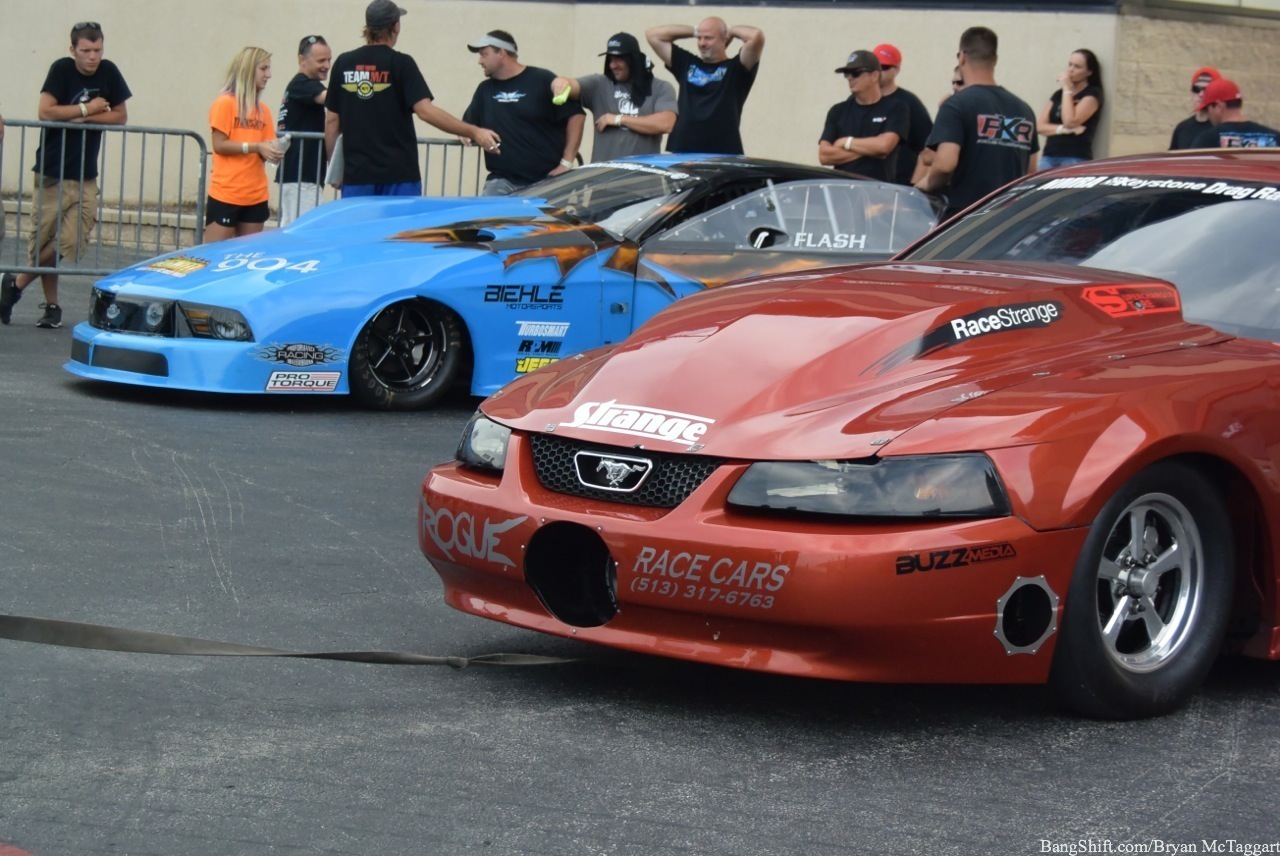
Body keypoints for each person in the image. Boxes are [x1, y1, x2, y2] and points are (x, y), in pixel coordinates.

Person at [0, 22, 131, 329]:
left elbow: (121, 116)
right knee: (45, 240)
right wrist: (87, 111)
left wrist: (83, 114)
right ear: (73, 50)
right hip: (52, 171)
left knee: (69, 242)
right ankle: (52, 306)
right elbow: (46, 111)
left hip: (85, 174)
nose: (93, 57)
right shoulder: (61, 70)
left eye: (97, 50)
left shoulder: (109, 72)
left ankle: (14, 285)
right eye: (86, 51)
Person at [326, 1, 499, 198]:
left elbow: (332, 120)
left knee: (361, 229)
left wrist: (334, 167)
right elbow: (425, 111)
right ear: (396, 27)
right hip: (399, 175)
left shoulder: (343, 63)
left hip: (357, 176)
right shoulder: (401, 63)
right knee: (401, 228)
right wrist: (474, 131)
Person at [915, 27, 1038, 220]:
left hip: (967, 221)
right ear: (995, 59)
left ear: (962, 57)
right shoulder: (1024, 110)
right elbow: (1031, 172)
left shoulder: (956, 104)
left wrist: (927, 183)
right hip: (1010, 220)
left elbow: (945, 164)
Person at [463, 30, 585, 195]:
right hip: (501, 180)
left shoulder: (542, 79)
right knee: (489, 219)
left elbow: (576, 115)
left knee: (544, 222)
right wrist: (467, 132)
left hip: (546, 179)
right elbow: (468, 125)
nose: (479, 61)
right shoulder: (485, 90)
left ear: (501, 53)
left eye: (484, 54)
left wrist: (567, 161)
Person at [549, 32, 677, 163]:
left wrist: (618, 119)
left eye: (619, 59)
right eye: (610, 59)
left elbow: (666, 124)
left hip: (641, 179)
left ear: (633, 59)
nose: (612, 65)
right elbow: (573, 85)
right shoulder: (599, 85)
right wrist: (560, 82)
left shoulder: (660, 88)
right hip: (603, 179)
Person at [645, 18, 764, 155]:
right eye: (699, 38)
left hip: (722, 152)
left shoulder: (736, 68)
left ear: (724, 39)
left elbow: (756, 36)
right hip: (683, 150)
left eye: (708, 38)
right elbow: (653, 35)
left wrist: (730, 30)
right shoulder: (686, 63)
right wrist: (695, 31)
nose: (702, 43)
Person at [205, 47, 283, 243]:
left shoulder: (263, 110)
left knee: (248, 259)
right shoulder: (225, 103)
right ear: (248, 70)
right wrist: (256, 147)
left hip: (256, 196)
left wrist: (275, 150)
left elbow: (266, 146)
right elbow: (219, 144)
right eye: (263, 69)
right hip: (226, 194)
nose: (269, 75)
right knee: (212, 258)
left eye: (269, 69)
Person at [817, 50, 907, 182]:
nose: (850, 78)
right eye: (847, 74)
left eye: (856, 73)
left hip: (878, 192)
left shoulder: (896, 108)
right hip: (844, 192)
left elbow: (883, 146)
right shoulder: (837, 111)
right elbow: (824, 156)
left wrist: (845, 142)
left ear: (875, 75)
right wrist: (870, 150)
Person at [277, 35, 331, 225]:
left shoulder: (301, 85)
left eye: (329, 60)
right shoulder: (302, 84)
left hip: (301, 175)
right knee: (304, 230)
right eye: (321, 61)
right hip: (301, 176)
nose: (327, 65)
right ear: (302, 60)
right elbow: (332, 99)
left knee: (295, 227)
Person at [872, 43, 933, 187]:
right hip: (864, 185)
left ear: (897, 69)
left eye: (884, 67)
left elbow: (929, 148)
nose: (879, 72)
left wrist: (913, 187)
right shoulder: (859, 100)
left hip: (897, 188)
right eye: (875, 67)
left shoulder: (909, 102)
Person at [1036, 49, 1104, 169]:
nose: (1071, 70)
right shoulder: (1058, 94)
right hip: (1049, 155)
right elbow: (1040, 126)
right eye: (1070, 64)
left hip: (1074, 156)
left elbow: (1070, 121)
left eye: (1077, 67)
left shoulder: (1092, 94)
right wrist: (1064, 130)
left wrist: (1067, 88)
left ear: (1089, 72)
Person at [1189, 78, 1279, 148]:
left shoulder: (1206, 141)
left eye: (1207, 109)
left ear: (1218, 106)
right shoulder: (1276, 137)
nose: (1208, 114)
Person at [1170, 67, 1220, 151]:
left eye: (1206, 90)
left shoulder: (1223, 129)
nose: (1201, 94)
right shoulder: (1182, 128)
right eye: (1196, 89)